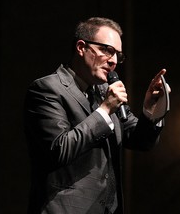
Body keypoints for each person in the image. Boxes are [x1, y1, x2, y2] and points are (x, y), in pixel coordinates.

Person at [23, 16, 170, 214]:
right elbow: (59, 149)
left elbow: (140, 141)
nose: (114, 61)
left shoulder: (102, 91)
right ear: (81, 47)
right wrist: (105, 110)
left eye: (118, 54)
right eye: (107, 50)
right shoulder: (47, 89)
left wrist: (151, 110)